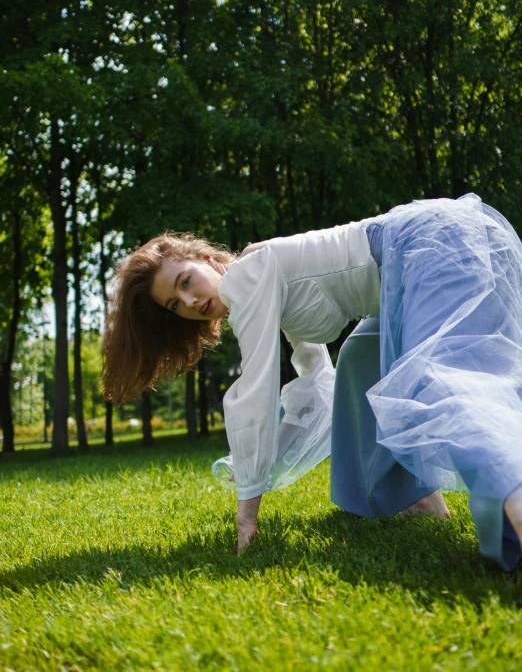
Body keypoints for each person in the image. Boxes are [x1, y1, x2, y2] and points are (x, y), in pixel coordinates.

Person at [102, 193, 522, 570]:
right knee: (359, 357)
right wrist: (261, 458)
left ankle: (515, 497)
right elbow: (315, 382)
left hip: (423, 246)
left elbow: (255, 393)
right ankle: (414, 498)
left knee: (438, 380)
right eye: (177, 305)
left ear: (208, 260)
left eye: (186, 281)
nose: (192, 302)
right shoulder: (262, 279)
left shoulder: (244, 280)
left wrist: (247, 511)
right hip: (412, 254)